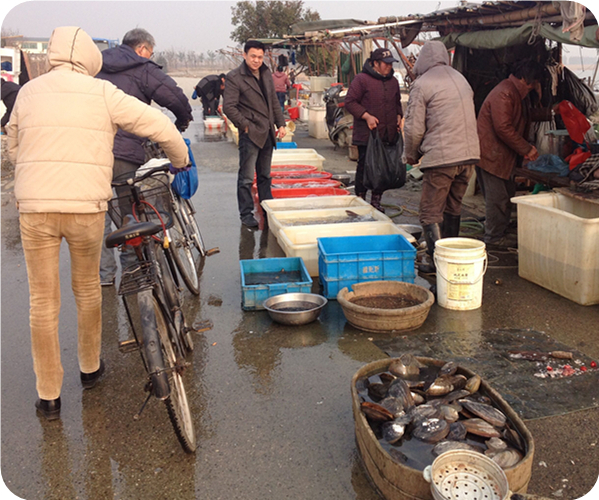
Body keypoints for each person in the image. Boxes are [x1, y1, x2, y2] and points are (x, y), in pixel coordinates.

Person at [6, 26, 189, 420]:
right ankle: (90, 369)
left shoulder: (28, 91)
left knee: (43, 301)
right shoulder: (102, 92)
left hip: (35, 208)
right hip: (85, 206)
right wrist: (179, 159)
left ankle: (49, 395)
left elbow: (13, 144)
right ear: (90, 58)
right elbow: (160, 126)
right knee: (87, 287)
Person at [96, 28, 193, 286]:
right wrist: (183, 120)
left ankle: (105, 277)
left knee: (101, 215)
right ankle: (133, 273)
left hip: (93, 152)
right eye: (151, 51)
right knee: (130, 214)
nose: (150, 56)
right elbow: (173, 96)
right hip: (125, 154)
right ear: (142, 49)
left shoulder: (95, 66)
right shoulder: (142, 67)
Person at [402, 41, 480, 273]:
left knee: (430, 211)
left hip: (442, 157)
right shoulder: (461, 79)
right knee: (453, 207)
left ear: (423, 59)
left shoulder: (422, 84)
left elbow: (414, 129)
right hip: (469, 157)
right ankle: (451, 258)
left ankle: (437, 262)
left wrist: (411, 155)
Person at [477, 61, 545, 249]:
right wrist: (526, 148)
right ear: (526, 79)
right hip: (492, 155)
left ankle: (499, 232)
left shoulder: (513, 91)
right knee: (498, 199)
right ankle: (494, 237)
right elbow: (503, 128)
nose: (533, 87)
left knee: (505, 195)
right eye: (533, 83)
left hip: (500, 155)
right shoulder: (505, 92)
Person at [223, 40, 286, 228]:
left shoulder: (266, 74)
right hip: (250, 133)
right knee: (247, 177)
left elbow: (273, 100)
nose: (256, 60)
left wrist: (280, 123)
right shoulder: (235, 77)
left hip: (267, 132)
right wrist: (245, 126)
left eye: (260, 57)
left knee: (265, 174)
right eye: (253, 56)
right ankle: (246, 213)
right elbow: (229, 107)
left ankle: (267, 207)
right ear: (244, 55)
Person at [345, 48, 403, 213]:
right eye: (385, 64)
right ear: (375, 63)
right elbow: (350, 101)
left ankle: (376, 201)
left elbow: (397, 102)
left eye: (391, 64)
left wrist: (399, 116)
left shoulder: (393, 82)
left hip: (387, 133)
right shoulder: (362, 80)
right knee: (365, 167)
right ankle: (361, 201)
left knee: (382, 169)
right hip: (367, 135)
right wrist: (366, 116)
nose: (388, 67)